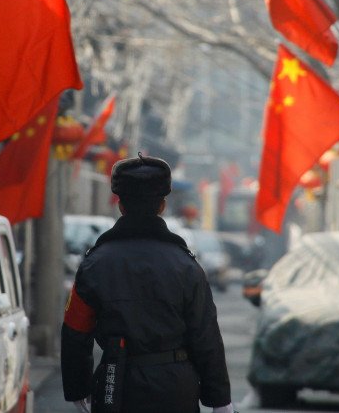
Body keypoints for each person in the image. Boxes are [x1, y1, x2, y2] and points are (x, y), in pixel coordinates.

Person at [61, 153, 234, 413]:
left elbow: (75, 333)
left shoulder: (94, 265)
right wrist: (219, 401)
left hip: (115, 388)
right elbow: (206, 336)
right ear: (162, 205)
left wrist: (78, 390)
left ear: (120, 205)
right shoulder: (186, 266)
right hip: (176, 391)